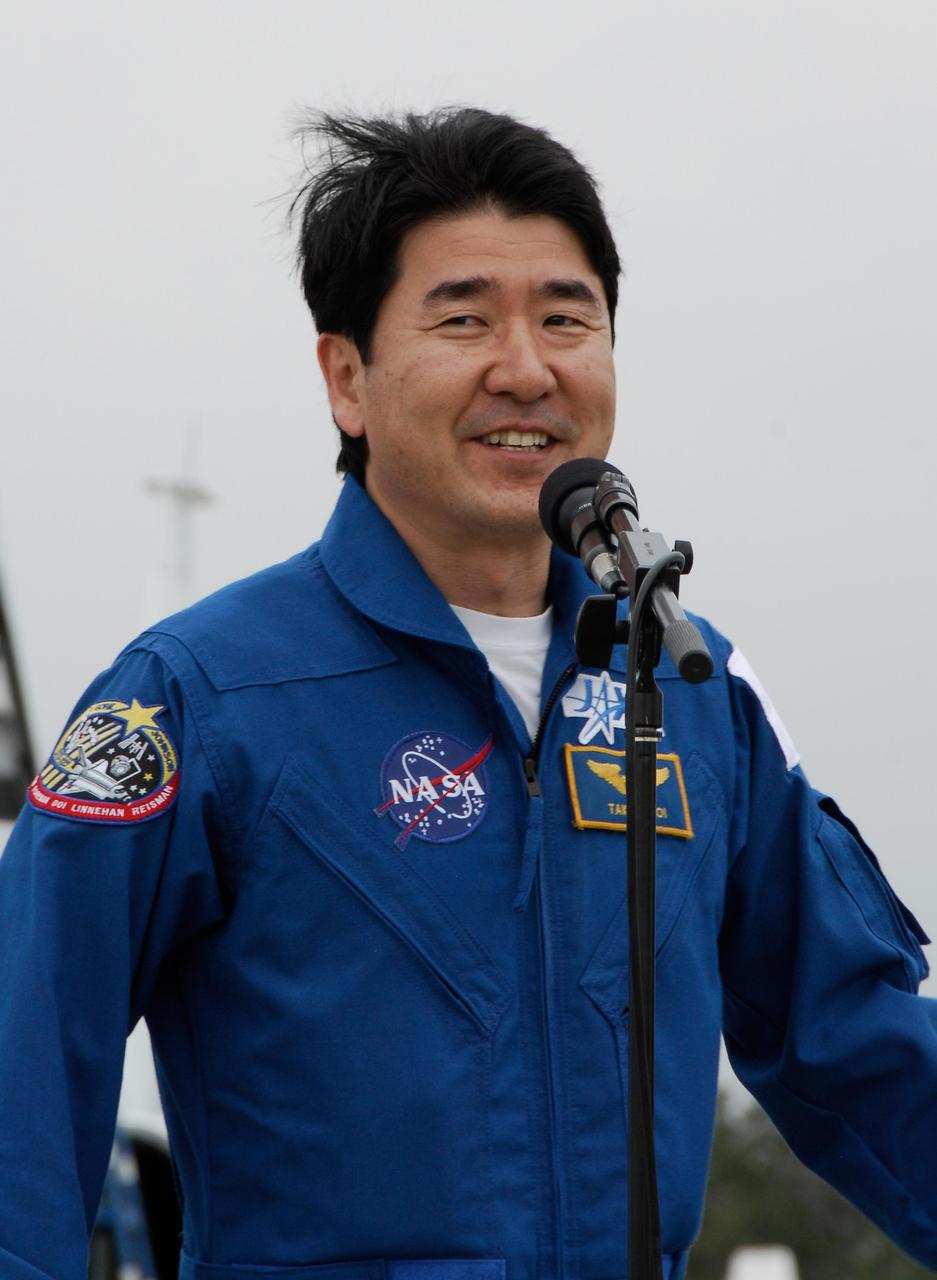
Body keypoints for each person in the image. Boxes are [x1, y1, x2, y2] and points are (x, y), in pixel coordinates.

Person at [1, 108, 935, 1280]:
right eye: (464, 318)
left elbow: (858, 1040)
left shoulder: (689, 684)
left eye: (566, 316)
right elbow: (25, 1062)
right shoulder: (195, 697)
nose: (527, 368)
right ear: (346, 376)